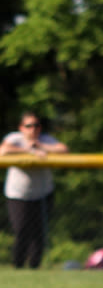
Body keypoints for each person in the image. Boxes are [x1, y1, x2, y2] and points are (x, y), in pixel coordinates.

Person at [2, 112, 68, 270]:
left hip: (42, 194)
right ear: (21, 128)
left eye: (36, 125)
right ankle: (17, 265)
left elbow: (64, 150)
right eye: (29, 125)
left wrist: (40, 146)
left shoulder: (45, 140)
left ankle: (34, 267)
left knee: (39, 233)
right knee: (21, 230)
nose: (33, 129)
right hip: (18, 194)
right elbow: (3, 150)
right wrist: (29, 150)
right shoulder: (14, 138)